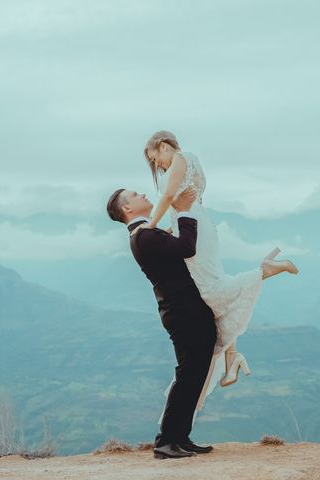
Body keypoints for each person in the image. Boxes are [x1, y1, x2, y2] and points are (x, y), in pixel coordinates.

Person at [138, 130, 299, 417]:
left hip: (195, 231)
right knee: (211, 299)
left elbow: (168, 197)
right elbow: (186, 204)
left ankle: (265, 271)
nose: (159, 166)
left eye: (156, 159)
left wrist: (150, 226)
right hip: (199, 226)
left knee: (211, 292)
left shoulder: (179, 159)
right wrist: (166, 230)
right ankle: (232, 358)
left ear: (163, 147)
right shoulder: (194, 160)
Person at [106, 186, 214, 459]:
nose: (143, 194)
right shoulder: (143, 236)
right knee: (188, 374)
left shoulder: (147, 233)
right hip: (182, 311)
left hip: (185, 309)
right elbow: (187, 248)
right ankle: (166, 442)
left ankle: (180, 437)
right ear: (128, 209)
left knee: (195, 373)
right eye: (135, 195)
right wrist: (184, 212)